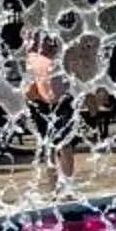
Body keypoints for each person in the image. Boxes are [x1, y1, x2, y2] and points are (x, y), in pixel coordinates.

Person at [25, 36, 78, 185]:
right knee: (52, 147)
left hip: (57, 104)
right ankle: (56, 187)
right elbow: (30, 89)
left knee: (58, 147)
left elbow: (30, 90)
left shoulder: (42, 59)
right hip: (48, 104)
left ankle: (61, 186)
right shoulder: (35, 60)